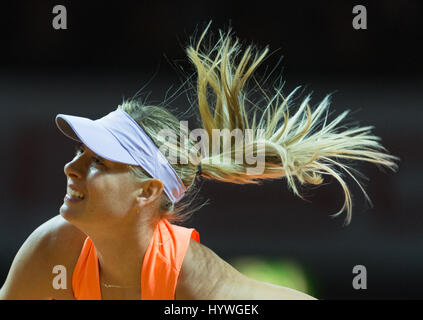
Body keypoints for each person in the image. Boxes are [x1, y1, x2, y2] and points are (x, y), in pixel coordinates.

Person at [0, 23, 399, 300]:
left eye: (99, 163)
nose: (71, 168)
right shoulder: (52, 249)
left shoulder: (194, 282)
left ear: (147, 191)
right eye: (78, 153)